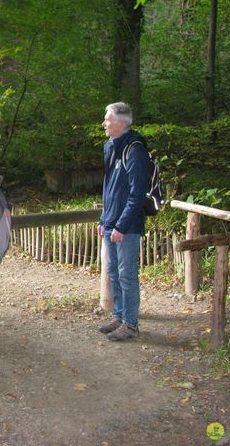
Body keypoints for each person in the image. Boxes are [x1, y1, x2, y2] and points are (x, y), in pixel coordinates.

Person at [97, 102, 150, 341]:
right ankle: (119, 315)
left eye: (107, 119)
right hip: (111, 222)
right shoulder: (111, 147)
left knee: (126, 273)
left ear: (120, 123)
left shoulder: (135, 150)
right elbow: (109, 188)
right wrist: (104, 220)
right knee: (113, 271)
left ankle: (130, 323)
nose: (104, 123)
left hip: (126, 226)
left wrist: (121, 225)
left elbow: (137, 193)